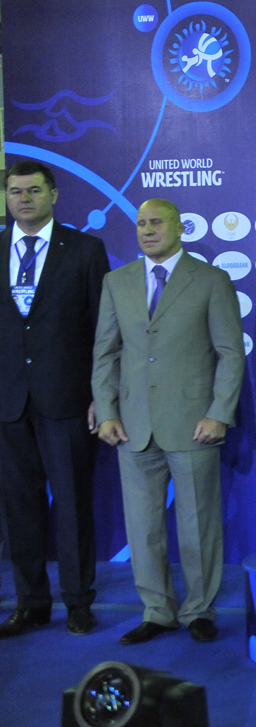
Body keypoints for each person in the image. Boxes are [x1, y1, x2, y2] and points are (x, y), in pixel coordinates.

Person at [92, 198, 245, 644]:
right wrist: (107, 411)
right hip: (132, 425)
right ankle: (157, 611)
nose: (147, 230)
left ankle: (200, 610)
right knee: (143, 528)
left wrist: (219, 413)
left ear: (180, 227)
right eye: (141, 223)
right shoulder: (116, 281)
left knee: (198, 524)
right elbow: (105, 352)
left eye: (156, 222)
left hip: (194, 422)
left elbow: (230, 353)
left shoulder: (211, 280)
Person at [0, 161, 109, 638]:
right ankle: (31, 604)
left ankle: (78, 601)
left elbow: (103, 330)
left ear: (54, 194)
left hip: (67, 398)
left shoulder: (85, 249)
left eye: (33, 190)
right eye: (15, 191)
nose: (23, 199)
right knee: (19, 510)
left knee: (72, 505)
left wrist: (100, 394)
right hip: (8, 402)